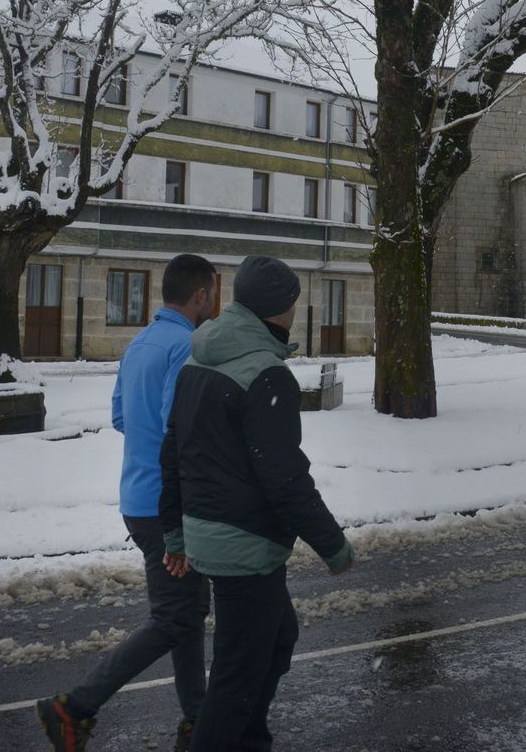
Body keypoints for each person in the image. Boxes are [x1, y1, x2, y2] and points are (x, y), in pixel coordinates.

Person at [161, 255, 355, 752]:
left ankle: (249, 739)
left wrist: (178, 534)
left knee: (277, 638)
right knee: (235, 676)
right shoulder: (267, 374)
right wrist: (333, 546)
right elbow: (285, 477)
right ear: (281, 309)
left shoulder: (197, 359)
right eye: (294, 300)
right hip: (244, 544)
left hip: (214, 531)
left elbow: (173, 454)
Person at [38, 254, 219, 752]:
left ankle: (196, 718)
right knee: (175, 617)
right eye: (213, 294)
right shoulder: (187, 345)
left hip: (136, 498)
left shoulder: (139, 342)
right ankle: (73, 708)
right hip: (168, 503)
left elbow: (121, 416)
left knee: (184, 610)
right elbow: (176, 431)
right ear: (200, 295)